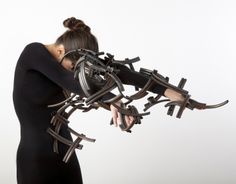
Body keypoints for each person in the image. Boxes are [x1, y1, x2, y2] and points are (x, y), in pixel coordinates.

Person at [13, 17, 183, 184]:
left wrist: (167, 91)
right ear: (60, 51)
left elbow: (119, 72)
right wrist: (114, 100)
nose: (76, 73)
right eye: (73, 68)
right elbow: (70, 82)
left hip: (66, 153)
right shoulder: (33, 53)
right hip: (35, 159)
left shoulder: (71, 57)